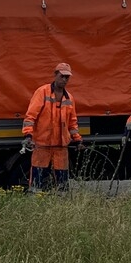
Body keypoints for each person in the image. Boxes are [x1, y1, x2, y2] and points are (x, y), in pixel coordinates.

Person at [21, 62, 84, 192]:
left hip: (61, 148)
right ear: (55, 75)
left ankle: (60, 207)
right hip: (42, 146)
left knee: (62, 183)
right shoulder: (42, 92)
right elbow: (31, 116)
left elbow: (72, 122)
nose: (65, 79)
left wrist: (77, 139)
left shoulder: (69, 97)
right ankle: (35, 204)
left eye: (67, 77)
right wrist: (28, 135)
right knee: (37, 181)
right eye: (62, 76)